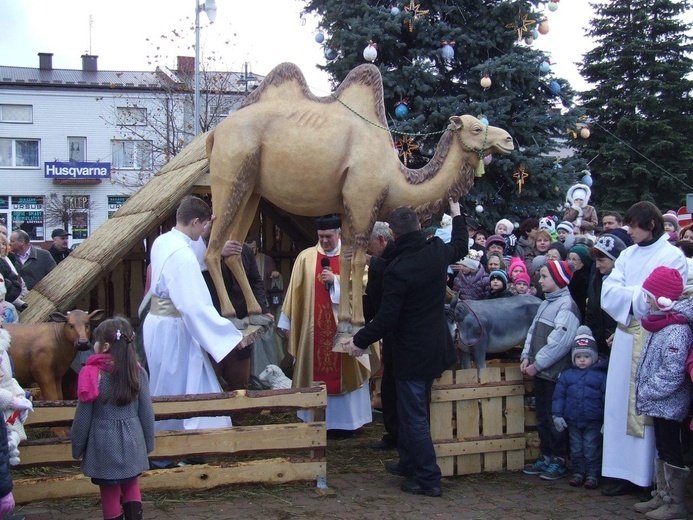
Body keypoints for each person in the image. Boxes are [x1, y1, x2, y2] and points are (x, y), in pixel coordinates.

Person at [344, 200, 467, 498]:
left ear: (394, 236)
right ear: (419, 228)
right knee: (414, 409)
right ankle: (410, 463)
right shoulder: (437, 251)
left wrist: (358, 341)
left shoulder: (399, 268)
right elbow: (461, 244)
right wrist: (457, 211)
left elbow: (387, 317)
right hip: (434, 348)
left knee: (414, 417)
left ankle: (428, 478)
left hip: (410, 353)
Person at [600, 201, 688, 497]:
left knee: (649, 414)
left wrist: (633, 295)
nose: (629, 231)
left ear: (650, 225)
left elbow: (664, 296)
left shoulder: (673, 256)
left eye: (634, 226)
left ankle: (648, 478)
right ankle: (622, 473)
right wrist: (640, 296)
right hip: (626, 338)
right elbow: (609, 293)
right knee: (617, 407)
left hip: (653, 339)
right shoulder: (626, 254)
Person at [143, 196, 244, 434]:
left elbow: (197, 254)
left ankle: (164, 435)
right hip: (174, 328)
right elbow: (194, 306)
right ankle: (184, 437)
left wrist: (214, 247)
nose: (206, 230)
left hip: (156, 322)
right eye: (205, 226)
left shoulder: (162, 241)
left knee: (163, 380)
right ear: (196, 222)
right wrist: (229, 334)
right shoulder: (182, 255)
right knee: (183, 382)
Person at [278, 214, 372, 435]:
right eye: (321, 236)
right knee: (314, 367)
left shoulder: (351, 256)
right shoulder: (306, 258)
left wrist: (336, 282)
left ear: (339, 234)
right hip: (314, 333)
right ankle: (315, 419)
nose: (325, 241)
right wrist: (286, 321)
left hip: (344, 328)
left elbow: (364, 286)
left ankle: (348, 423)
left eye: (329, 236)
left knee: (346, 369)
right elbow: (294, 292)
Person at [72, 317, 155, 520]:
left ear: (105, 345)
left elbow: (83, 416)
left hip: (103, 445)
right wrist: (148, 445)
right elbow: (146, 412)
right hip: (133, 442)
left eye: (96, 341)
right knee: (131, 485)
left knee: (109, 492)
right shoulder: (137, 372)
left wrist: (77, 447)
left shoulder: (91, 374)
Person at [633, 266, 692, 519]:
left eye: (649, 296)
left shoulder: (676, 329)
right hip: (659, 402)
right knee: (661, 447)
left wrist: (648, 390)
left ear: (663, 299)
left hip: (669, 402)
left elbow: (672, 371)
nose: (646, 301)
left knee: (671, 448)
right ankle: (663, 493)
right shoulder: (661, 325)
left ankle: (676, 502)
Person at [521, 260, 580, 480]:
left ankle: (560, 458)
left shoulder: (566, 306)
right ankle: (546, 454)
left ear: (557, 279)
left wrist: (538, 364)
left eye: (545, 276)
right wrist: (526, 356)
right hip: (541, 372)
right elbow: (532, 332)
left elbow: (560, 343)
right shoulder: (545, 303)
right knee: (543, 416)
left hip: (554, 374)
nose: (540, 280)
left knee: (555, 417)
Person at [552, 326, 607, 490]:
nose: (582, 360)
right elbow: (559, 396)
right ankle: (578, 473)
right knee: (576, 449)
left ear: (594, 357)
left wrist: (607, 420)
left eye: (586, 356)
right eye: (578, 357)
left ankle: (592, 474)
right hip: (573, 420)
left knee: (591, 448)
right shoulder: (567, 376)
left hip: (593, 420)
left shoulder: (600, 376)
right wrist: (557, 415)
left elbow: (606, 399)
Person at [363, 222, 398, 451]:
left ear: (382, 241)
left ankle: (402, 439)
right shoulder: (382, 259)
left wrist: (361, 339)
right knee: (388, 386)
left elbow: (391, 270)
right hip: (391, 336)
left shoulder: (398, 257)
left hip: (404, 335)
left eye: (370, 246)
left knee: (397, 389)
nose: (369, 251)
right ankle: (393, 433)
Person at [585, 233, 630, 356]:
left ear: (616, 260)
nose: (597, 264)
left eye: (602, 260)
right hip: (599, 344)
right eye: (596, 260)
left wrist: (622, 334)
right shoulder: (597, 275)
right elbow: (591, 311)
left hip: (619, 345)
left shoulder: (629, 283)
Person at [567, 244, 594, 323]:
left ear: (583, 261)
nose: (571, 262)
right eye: (569, 259)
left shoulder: (586, 279)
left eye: (574, 259)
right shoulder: (570, 275)